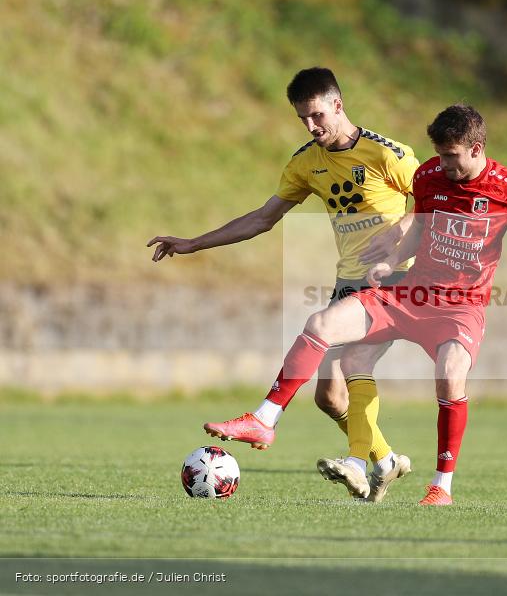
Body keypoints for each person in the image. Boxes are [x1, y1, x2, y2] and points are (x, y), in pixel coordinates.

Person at [269, 104, 507, 505]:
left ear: (477, 149)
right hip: (412, 293)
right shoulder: (428, 175)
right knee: (344, 352)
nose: (443, 163)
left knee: (450, 375)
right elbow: (419, 225)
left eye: (452, 155)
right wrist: (392, 261)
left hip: (462, 306)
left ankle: (440, 487)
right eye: (440, 153)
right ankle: (353, 457)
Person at [146, 67, 418, 499]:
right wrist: (194, 243)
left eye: (317, 116)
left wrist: (398, 233)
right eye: (303, 120)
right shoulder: (306, 162)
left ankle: (274, 423)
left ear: (338, 104)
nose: (312, 127)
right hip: (349, 282)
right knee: (329, 398)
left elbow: (435, 202)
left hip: (397, 280)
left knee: (344, 354)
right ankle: (384, 461)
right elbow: (261, 219)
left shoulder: (389, 154)